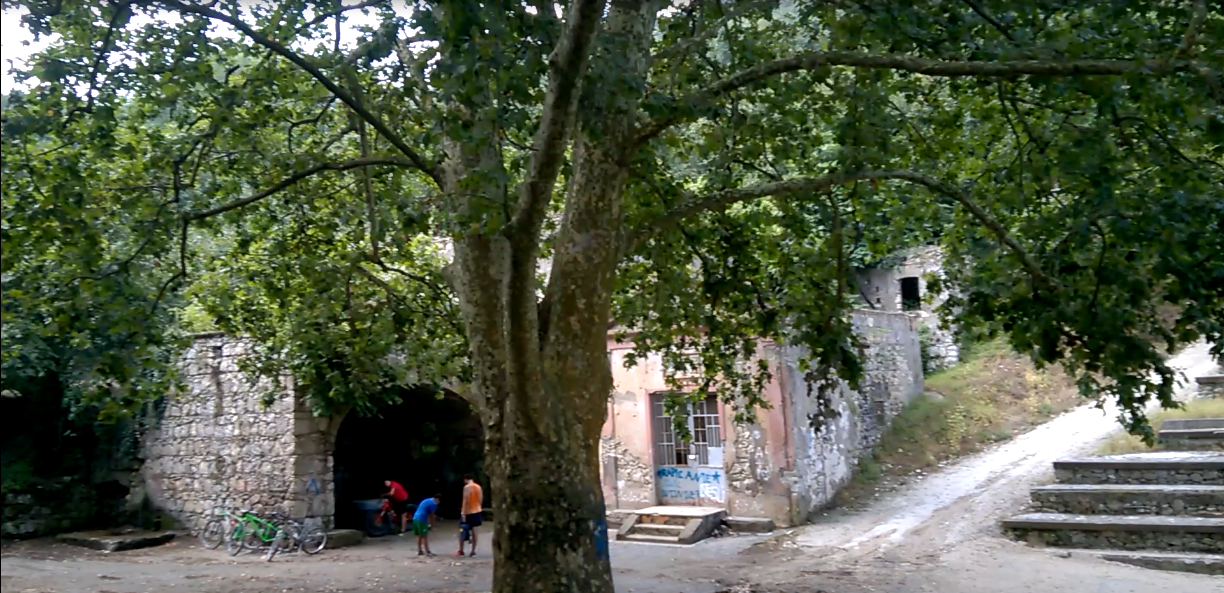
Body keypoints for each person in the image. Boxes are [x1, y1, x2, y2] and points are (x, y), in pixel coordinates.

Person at [456, 474, 483, 557]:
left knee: (462, 530)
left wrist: (463, 513)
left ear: (465, 479)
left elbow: (466, 500)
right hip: (477, 510)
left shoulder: (467, 487)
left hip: (468, 512)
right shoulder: (478, 487)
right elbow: (480, 499)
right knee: (475, 532)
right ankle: (473, 551)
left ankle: (461, 550)